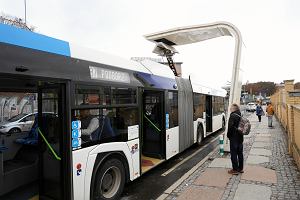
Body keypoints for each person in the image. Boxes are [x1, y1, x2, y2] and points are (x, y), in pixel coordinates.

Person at [227, 103, 244, 175]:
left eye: (231, 108)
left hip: (234, 138)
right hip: (240, 137)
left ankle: (235, 169)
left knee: (233, 153)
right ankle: (240, 168)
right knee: (240, 153)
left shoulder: (232, 116)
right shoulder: (240, 114)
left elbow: (230, 127)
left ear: (234, 109)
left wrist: (228, 135)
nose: (230, 109)